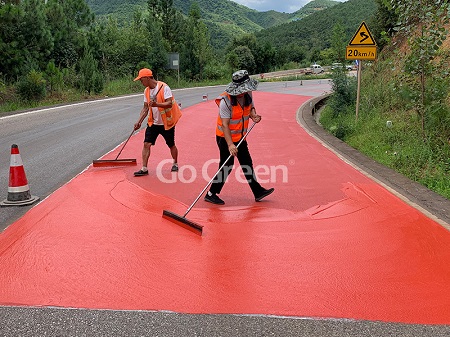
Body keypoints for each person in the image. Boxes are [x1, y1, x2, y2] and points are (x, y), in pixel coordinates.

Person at [204, 70, 274, 205]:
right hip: (225, 138)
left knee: (247, 162)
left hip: (241, 137)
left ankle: (257, 191)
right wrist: (230, 145)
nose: (245, 91)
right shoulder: (226, 101)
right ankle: (211, 193)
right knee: (227, 166)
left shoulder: (248, 93)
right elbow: (225, 125)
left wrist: (254, 115)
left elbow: (251, 107)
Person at [133, 68, 182, 176]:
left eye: (141, 80)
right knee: (146, 144)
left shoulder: (164, 87)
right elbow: (145, 108)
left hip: (166, 123)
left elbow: (169, 103)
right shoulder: (146, 91)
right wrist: (139, 121)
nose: (141, 82)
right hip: (153, 123)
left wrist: (156, 104)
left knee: (171, 144)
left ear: (147, 78)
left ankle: (175, 163)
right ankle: (144, 168)